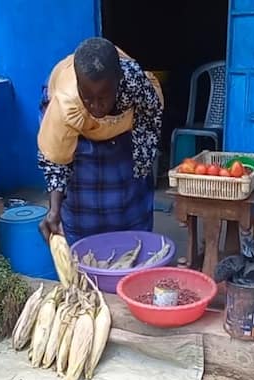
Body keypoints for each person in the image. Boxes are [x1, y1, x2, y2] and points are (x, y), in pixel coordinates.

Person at [36, 37, 164, 246]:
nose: (95, 106)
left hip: (124, 127)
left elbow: (150, 120)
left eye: (103, 97)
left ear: (118, 82)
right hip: (72, 127)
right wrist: (54, 210)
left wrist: (140, 167)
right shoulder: (66, 103)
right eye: (88, 97)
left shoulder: (135, 84)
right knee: (82, 212)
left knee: (131, 191)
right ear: (78, 87)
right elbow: (56, 159)